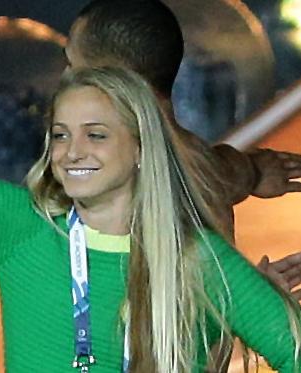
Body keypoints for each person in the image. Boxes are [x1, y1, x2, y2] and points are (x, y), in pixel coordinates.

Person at [0, 66, 299, 372]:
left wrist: (223, 321)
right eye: (60, 135)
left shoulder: (202, 264)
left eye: (96, 135)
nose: (71, 152)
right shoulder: (20, 229)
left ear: (143, 148)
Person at [67, 0, 301, 299]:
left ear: (108, 76)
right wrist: (251, 171)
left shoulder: (94, 173)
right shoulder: (206, 168)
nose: (65, 80)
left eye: (72, 66)